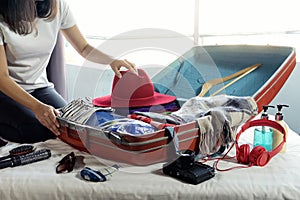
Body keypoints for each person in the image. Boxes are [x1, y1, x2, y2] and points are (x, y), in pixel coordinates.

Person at [0, 0, 137, 143]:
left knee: (70, 125)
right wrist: (37, 107)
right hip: (5, 92)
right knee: (37, 130)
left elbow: (83, 47)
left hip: (38, 87)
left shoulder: (58, 5)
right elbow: (2, 78)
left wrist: (111, 60)